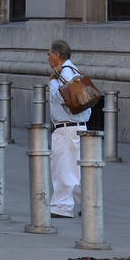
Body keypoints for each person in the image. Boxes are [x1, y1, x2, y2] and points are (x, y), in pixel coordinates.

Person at [47, 39, 90, 219]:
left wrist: (52, 82)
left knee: (62, 168)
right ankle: (88, 203)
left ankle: (62, 207)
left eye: (49, 54)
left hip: (66, 127)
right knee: (76, 169)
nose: (48, 58)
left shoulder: (64, 73)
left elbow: (61, 96)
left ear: (57, 55)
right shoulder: (74, 71)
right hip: (77, 126)